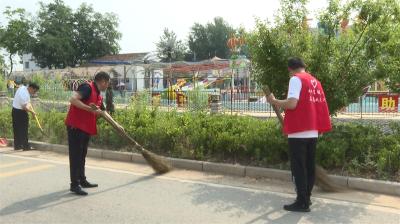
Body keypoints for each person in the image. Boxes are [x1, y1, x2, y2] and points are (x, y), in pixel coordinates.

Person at [267, 57, 331, 212]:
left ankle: (301, 202)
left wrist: (275, 101)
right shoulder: (315, 81)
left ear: (290, 69)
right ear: (303, 66)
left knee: (298, 168)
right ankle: (306, 199)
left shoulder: (296, 79)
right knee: (309, 166)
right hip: (313, 131)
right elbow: (319, 105)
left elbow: (292, 103)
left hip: (299, 130)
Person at [65, 71, 110, 196]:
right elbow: (73, 100)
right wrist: (89, 109)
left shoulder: (98, 95)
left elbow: (103, 112)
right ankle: (74, 185)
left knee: (82, 155)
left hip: (85, 128)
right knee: (75, 156)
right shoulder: (87, 88)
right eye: (107, 83)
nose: (108, 86)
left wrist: (117, 125)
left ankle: (82, 180)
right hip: (76, 127)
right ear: (103, 81)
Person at [12, 82, 40, 151]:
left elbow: (28, 103)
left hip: (15, 111)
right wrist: (32, 112)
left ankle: (17, 146)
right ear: (31, 88)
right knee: (24, 129)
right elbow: (24, 107)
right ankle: (25, 146)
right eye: (35, 91)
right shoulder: (23, 93)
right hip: (20, 112)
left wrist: (32, 111)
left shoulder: (23, 88)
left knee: (17, 129)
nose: (34, 93)